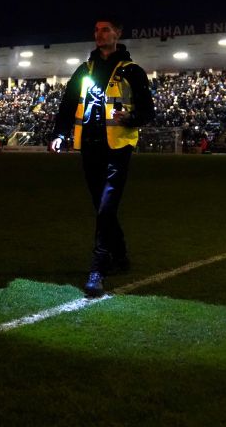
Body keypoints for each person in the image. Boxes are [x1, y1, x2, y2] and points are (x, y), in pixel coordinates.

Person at [49, 17, 155, 297]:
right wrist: (59, 134)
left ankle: (98, 267)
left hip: (118, 147)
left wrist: (131, 117)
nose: (99, 34)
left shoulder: (133, 71)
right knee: (102, 207)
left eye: (105, 29)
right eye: (96, 29)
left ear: (118, 33)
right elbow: (68, 104)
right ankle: (120, 256)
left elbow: (148, 112)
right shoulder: (85, 69)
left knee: (106, 207)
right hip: (90, 147)